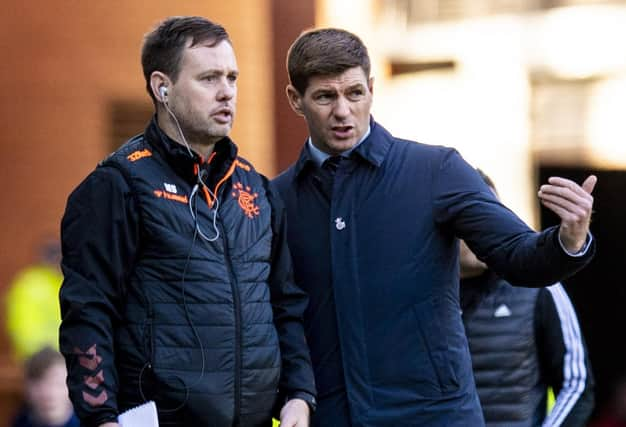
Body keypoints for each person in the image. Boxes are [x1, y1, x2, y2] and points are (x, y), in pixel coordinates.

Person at [272, 27, 596, 426]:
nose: (343, 111)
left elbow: (518, 255)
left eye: (354, 93)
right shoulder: (279, 200)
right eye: (325, 96)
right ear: (295, 100)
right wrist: (297, 397)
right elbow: (279, 317)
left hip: (436, 417)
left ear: (372, 89)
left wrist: (569, 239)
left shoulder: (436, 171)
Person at [59, 16, 316, 427]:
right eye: (209, 78)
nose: (227, 92)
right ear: (163, 87)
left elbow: (285, 305)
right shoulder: (117, 185)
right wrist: (101, 418)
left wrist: (300, 395)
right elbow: (88, 312)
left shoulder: (257, 190)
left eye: (232, 77)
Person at [460, 169, 594, 426]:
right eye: (475, 220)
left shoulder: (540, 287)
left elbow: (576, 386)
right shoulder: (411, 292)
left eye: (493, 217)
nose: (487, 231)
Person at [12, 346, 80, 427]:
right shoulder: (20, 420)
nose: (49, 393)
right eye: (39, 385)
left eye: (58, 384)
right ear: (27, 387)